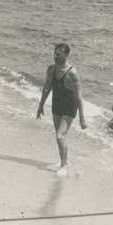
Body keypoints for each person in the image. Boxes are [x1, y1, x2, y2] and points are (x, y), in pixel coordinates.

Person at [35, 43, 85, 176]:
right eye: (54, 54)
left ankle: (63, 165)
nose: (55, 56)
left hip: (69, 107)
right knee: (60, 136)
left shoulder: (72, 73)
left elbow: (79, 96)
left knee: (60, 136)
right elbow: (46, 89)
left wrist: (82, 118)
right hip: (56, 105)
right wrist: (40, 106)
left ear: (66, 55)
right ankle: (65, 160)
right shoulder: (51, 70)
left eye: (59, 54)